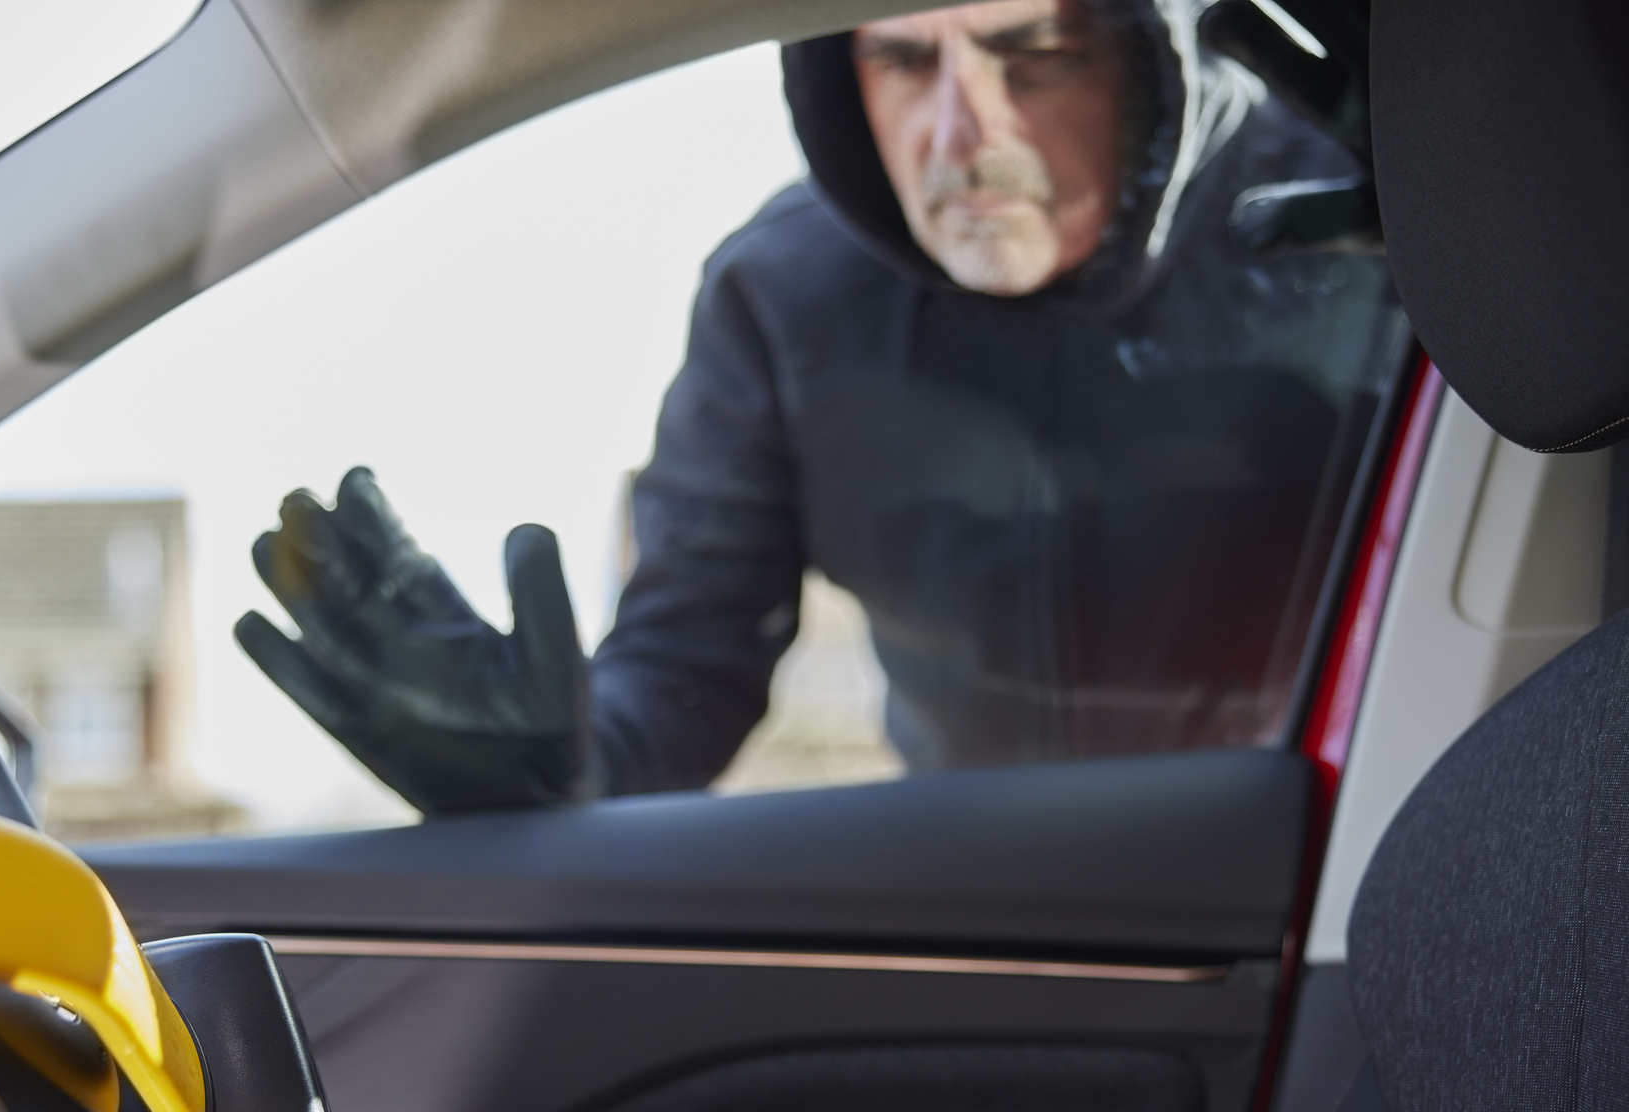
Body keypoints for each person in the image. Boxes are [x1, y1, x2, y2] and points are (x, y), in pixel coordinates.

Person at [235, 0, 1400, 815]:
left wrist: (1481, 221)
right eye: (901, 60)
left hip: (1331, 901)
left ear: (1147, 55)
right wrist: (551, 765)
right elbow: (683, 671)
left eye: (1033, 54)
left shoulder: (1361, 207)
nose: (961, 132)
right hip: (1012, 931)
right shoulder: (783, 296)